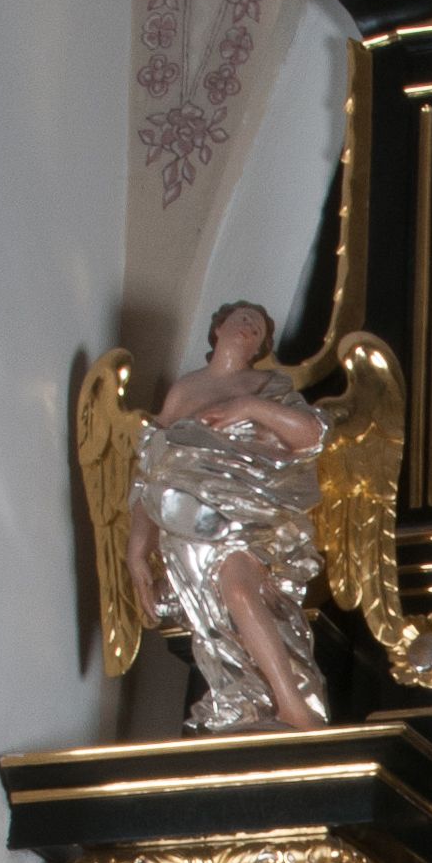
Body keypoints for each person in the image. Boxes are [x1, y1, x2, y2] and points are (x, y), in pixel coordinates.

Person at [126, 300, 329, 731]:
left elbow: (310, 434)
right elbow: (152, 469)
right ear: (218, 328)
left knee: (239, 591)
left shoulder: (268, 385)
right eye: (242, 318)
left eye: (259, 329)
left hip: (247, 518)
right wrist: (137, 548)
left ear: (261, 347)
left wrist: (252, 408)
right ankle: (250, 702)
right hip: (186, 531)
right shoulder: (183, 390)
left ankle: (291, 704)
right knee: (217, 625)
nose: (249, 326)